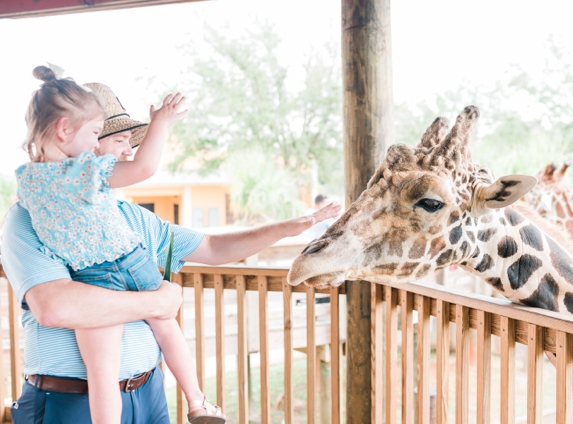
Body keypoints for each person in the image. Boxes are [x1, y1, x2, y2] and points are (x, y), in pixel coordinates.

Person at [2, 68, 340, 424]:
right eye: (117, 140)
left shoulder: (132, 217)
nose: (129, 152)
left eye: (133, 143)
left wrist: (290, 227)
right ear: (82, 141)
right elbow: (55, 308)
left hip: (148, 392)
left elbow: (211, 248)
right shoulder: (25, 219)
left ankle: (197, 400)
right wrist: (159, 302)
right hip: (69, 402)